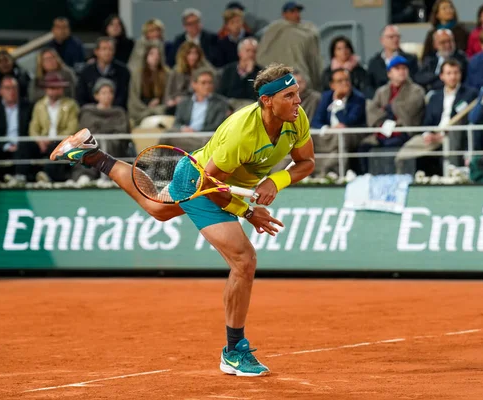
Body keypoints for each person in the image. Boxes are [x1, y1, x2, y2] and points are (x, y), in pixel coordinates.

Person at [49, 63, 315, 376]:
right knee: (244, 261)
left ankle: (93, 155)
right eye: (290, 95)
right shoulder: (241, 133)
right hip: (199, 180)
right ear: (268, 101)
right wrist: (248, 211)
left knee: (158, 209)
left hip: (217, 179)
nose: (298, 101)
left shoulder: (295, 118)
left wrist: (277, 180)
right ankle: (233, 351)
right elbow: (209, 185)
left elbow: (307, 162)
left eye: (297, 93)